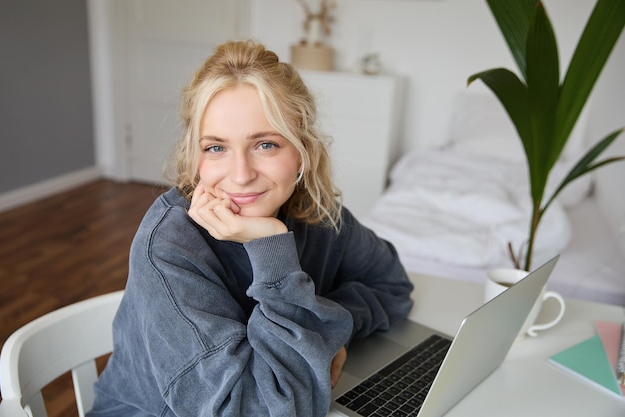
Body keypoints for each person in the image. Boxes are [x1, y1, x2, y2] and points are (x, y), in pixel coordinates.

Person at [88, 40, 413, 417]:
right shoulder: (169, 249)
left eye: (265, 144)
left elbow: (392, 286)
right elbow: (253, 409)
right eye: (216, 148)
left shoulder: (317, 213)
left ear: (302, 151)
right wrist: (272, 252)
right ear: (194, 157)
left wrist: (326, 335)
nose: (241, 176)